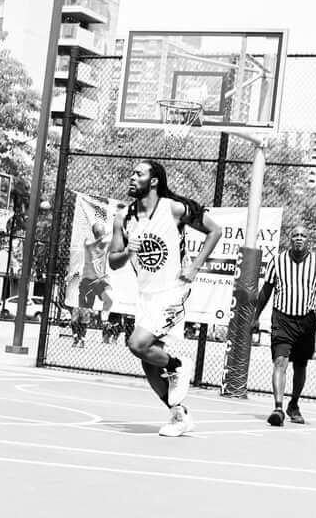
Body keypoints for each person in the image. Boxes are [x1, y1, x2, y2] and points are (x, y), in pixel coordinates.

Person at [108, 159, 221, 436]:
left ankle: (177, 365)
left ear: (154, 181)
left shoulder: (172, 208)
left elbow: (215, 231)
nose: (132, 177)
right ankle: (178, 415)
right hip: (146, 296)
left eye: (139, 173)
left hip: (173, 291)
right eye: (132, 173)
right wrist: (128, 251)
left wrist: (195, 267)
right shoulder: (124, 217)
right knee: (148, 362)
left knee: (137, 344)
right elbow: (113, 261)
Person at [257, 225, 316, 426]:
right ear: (290, 239)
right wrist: (256, 316)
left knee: (300, 365)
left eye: (303, 235)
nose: (299, 238)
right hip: (282, 318)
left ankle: (294, 404)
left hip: (306, 320)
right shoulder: (277, 260)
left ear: (308, 240)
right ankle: (278, 408)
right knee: (280, 361)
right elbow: (266, 290)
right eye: (295, 235)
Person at [71, 216, 113, 346]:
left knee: (86, 315)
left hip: (96, 282)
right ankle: (76, 337)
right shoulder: (89, 244)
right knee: (76, 317)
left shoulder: (103, 247)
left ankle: (82, 339)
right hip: (85, 282)